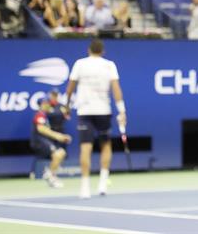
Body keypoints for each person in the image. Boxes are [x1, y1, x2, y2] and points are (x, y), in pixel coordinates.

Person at [65, 39, 126, 199]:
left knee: (86, 147)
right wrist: (122, 111)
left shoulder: (80, 64)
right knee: (105, 145)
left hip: (84, 111)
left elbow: (70, 88)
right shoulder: (109, 65)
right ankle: (102, 184)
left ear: (88, 50)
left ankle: (85, 187)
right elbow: (116, 89)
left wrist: (66, 105)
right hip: (103, 111)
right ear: (103, 51)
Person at [31, 94, 72, 188]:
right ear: (41, 104)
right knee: (58, 154)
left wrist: (61, 136)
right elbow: (41, 129)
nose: (48, 105)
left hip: (45, 141)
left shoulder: (45, 116)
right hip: (39, 141)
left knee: (61, 153)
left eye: (48, 103)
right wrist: (58, 136)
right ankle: (50, 176)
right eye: (45, 103)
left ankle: (50, 174)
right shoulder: (40, 114)